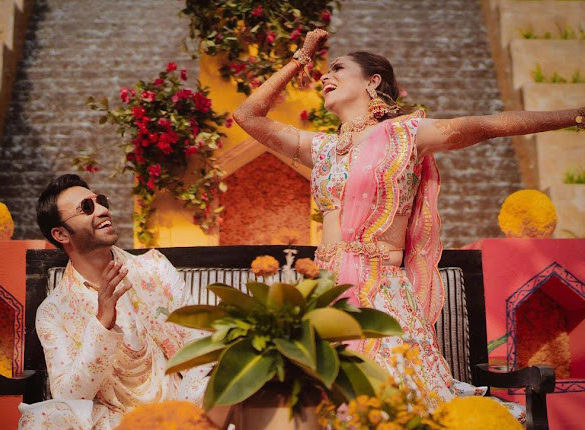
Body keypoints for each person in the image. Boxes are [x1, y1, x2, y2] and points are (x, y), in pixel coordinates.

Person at [233, 29, 585, 400]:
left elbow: (486, 126)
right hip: (324, 295)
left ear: (373, 81)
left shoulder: (405, 135)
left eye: (338, 68)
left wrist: (574, 116)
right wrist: (299, 58)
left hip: (381, 295)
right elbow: (247, 115)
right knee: (292, 400)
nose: (325, 76)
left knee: (390, 402)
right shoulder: (321, 148)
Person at [13, 174, 233, 430]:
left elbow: (198, 345)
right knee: (40, 422)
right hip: (112, 426)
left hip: (178, 407)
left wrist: (186, 417)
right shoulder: (55, 310)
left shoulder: (153, 270)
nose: (101, 210)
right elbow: (70, 395)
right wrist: (102, 323)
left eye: (100, 200)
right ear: (61, 234)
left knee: (230, 394)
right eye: (87, 207)